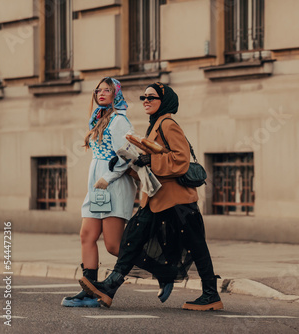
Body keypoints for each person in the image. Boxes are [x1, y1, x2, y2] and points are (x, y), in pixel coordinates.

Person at [79, 82, 223, 311]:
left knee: (196, 246)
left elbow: (181, 160)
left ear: (163, 101)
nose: (146, 100)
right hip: (155, 198)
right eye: (143, 97)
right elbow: (151, 166)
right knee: (131, 241)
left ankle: (211, 294)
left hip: (177, 200)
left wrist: (150, 160)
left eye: (151, 97)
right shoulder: (154, 125)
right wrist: (129, 165)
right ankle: (109, 287)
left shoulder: (168, 124)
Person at [61, 77, 137, 307]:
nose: (101, 93)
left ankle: (163, 270)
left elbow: (127, 155)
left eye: (107, 90)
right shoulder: (99, 118)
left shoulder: (120, 120)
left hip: (114, 186)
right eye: (98, 90)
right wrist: (99, 180)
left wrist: (108, 177)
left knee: (114, 246)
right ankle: (89, 289)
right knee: (87, 236)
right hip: (96, 188)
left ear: (116, 93)